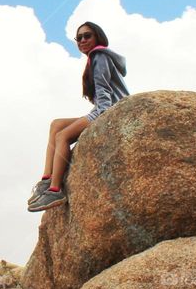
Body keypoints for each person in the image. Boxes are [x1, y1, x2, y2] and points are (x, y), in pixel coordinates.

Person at [27, 22, 129, 212]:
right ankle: (46, 180)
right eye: (79, 37)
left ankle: (55, 189)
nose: (82, 40)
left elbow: (104, 92)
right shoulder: (96, 58)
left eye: (87, 36)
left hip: (109, 109)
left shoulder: (99, 55)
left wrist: (104, 117)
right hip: (103, 107)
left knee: (62, 136)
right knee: (56, 124)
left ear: (97, 37)